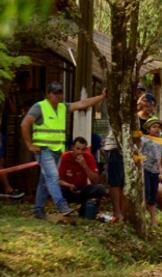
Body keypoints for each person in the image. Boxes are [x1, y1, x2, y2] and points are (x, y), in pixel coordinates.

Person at [20, 81, 107, 220]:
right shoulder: (39, 107)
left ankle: (38, 210)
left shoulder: (63, 107)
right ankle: (62, 205)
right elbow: (24, 124)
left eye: (60, 92)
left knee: (45, 180)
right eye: (55, 93)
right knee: (53, 177)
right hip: (43, 150)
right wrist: (29, 145)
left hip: (57, 150)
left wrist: (101, 97)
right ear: (48, 94)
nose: (58, 96)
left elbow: (82, 103)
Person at [57, 136, 107, 219]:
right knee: (58, 189)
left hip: (82, 189)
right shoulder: (65, 157)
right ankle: (64, 209)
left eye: (83, 149)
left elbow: (95, 180)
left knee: (100, 188)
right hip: (68, 188)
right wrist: (69, 185)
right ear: (72, 148)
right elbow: (58, 180)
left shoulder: (88, 157)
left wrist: (84, 166)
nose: (80, 152)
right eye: (77, 149)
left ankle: (84, 210)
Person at [140, 117, 162, 225]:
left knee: (153, 194)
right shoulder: (144, 139)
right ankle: (143, 216)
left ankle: (153, 220)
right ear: (148, 129)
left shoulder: (161, 142)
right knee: (145, 192)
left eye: (159, 127)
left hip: (155, 172)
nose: (157, 129)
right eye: (154, 127)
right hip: (145, 170)